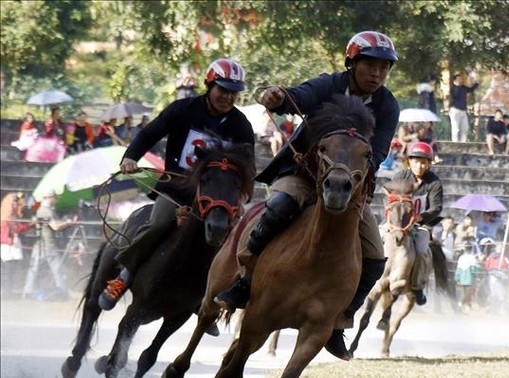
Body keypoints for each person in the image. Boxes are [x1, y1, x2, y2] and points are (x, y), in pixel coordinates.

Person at [214, 31, 399, 360]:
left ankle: (340, 320)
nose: (377, 74)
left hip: (349, 187)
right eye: (370, 65)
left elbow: (379, 150)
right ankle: (245, 280)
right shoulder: (329, 85)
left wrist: (348, 175)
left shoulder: (388, 105)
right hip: (303, 176)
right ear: (352, 63)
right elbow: (301, 95)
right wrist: (279, 97)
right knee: (279, 205)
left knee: (375, 257)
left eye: (384, 68)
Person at [98, 58, 255, 311]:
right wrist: (130, 157)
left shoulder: (241, 126)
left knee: (235, 239)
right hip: (176, 189)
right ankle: (123, 277)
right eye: (222, 90)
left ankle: (210, 299)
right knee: (159, 223)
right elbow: (149, 133)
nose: (227, 97)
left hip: (216, 197)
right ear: (209, 85)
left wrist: (240, 196)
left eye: (233, 93)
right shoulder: (182, 109)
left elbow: (248, 166)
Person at [389, 142, 444, 306]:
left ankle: (417, 285)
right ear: (409, 161)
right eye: (416, 161)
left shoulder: (434, 182)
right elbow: (392, 199)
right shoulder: (400, 177)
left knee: (421, 250)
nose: (420, 165)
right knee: (377, 239)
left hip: (420, 225)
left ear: (429, 163)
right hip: (397, 222)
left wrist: (417, 218)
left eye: (424, 162)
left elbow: (436, 208)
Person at [22, 189, 76, 301]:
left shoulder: (44, 210)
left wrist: (66, 222)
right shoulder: (46, 211)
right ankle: (62, 292)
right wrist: (68, 223)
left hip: (42, 245)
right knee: (56, 270)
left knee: (34, 270)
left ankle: (28, 292)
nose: (56, 199)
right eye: (55, 197)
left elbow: (54, 224)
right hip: (47, 246)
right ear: (50, 197)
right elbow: (55, 227)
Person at [1, 192, 33, 297]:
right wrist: (30, 224)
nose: (15, 204)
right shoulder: (5, 216)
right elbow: (13, 230)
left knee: (14, 267)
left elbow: (18, 229)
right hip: (7, 245)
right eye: (13, 202)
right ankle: (6, 291)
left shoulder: (14, 216)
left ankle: (9, 290)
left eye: (16, 202)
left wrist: (29, 225)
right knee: (8, 268)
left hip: (13, 244)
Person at [448, 72, 479, 142]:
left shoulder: (463, 88)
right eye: (459, 79)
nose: (460, 80)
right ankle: (455, 143)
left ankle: (463, 142)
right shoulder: (453, 88)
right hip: (455, 110)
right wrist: (457, 86)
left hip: (463, 110)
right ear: (455, 81)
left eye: (461, 79)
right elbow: (455, 95)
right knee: (455, 128)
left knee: (465, 127)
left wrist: (476, 83)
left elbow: (471, 90)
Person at [454, 240, 480, 313]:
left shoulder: (461, 257)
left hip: (462, 277)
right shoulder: (472, 257)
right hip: (469, 277)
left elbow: (458, 269)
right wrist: (476, 276)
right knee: (467, 292)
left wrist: (457, 277)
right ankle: (461, 303)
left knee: (464, 292)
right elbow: (474, 269)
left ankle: (468, 305)